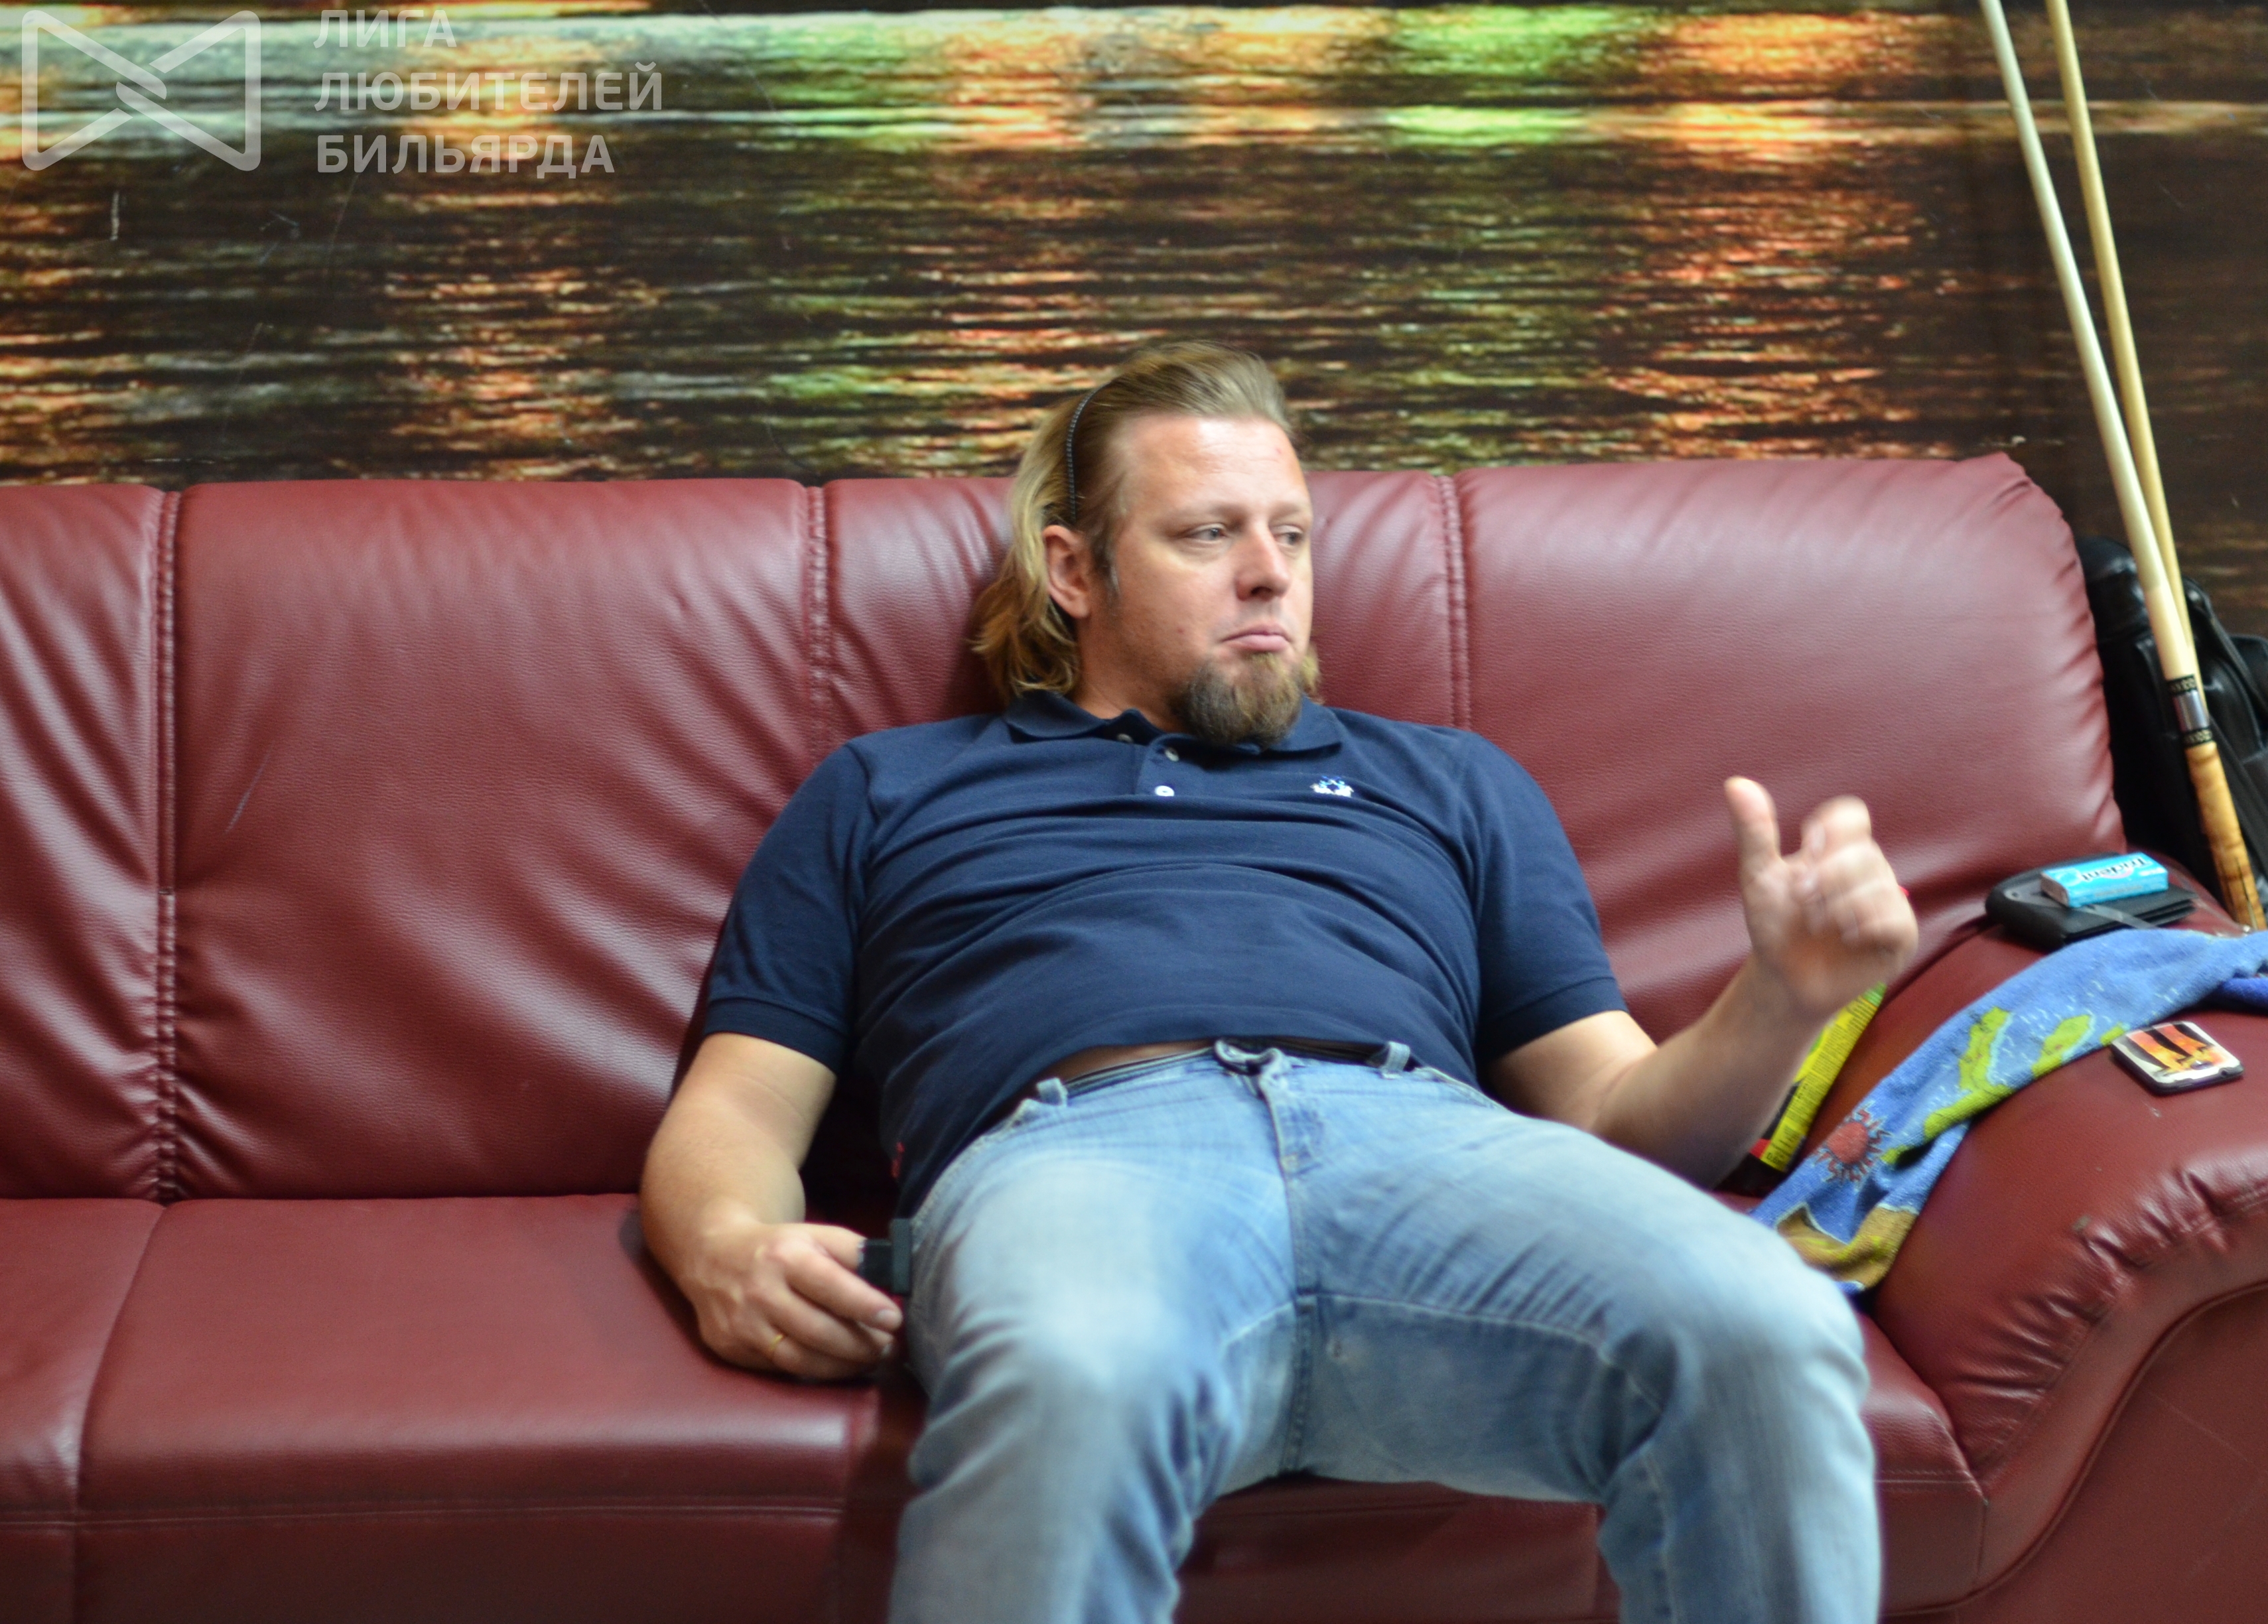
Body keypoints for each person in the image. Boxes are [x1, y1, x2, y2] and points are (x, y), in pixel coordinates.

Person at [640, 341, 1915, 1624]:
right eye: (1208, 534)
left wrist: (1783, 1000)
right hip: (1087, 1161)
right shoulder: (889, 789)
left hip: (1428, 1149)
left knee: (1769, 1329)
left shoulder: (1452, 781)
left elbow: (1619, 1118)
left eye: (1292, 534)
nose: (1270, 573)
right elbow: (740, 1105)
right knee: (1077, 1374)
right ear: (1075, 571)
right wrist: (724, 1246)